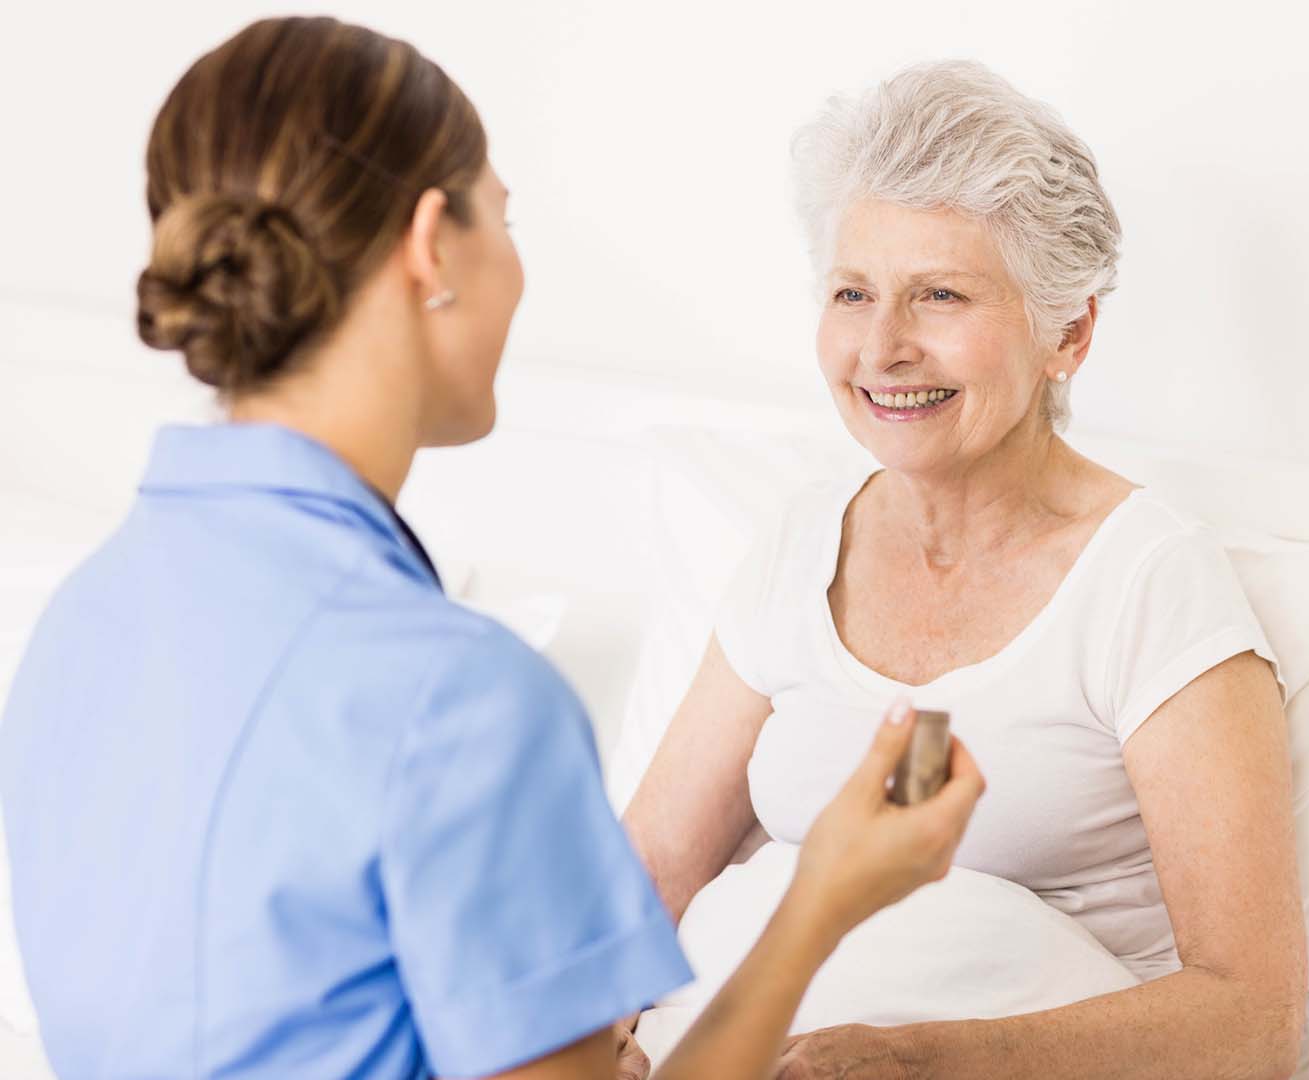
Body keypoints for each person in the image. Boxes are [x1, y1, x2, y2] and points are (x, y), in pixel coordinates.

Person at [0, 18, 982, 1080]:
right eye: (504, 222)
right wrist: (821, 900)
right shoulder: (461, 701)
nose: (517, 273)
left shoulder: (81, 620)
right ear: (432, 243)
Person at [624, 61, 1308, 1079]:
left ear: (1067, 333)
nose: (883, 347)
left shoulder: (1148, 583)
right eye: (852, 292)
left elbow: (1253, 1021)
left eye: (939, 295)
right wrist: (596, 1046)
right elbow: (631, 891)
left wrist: (917, 1060)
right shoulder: (799, 544)